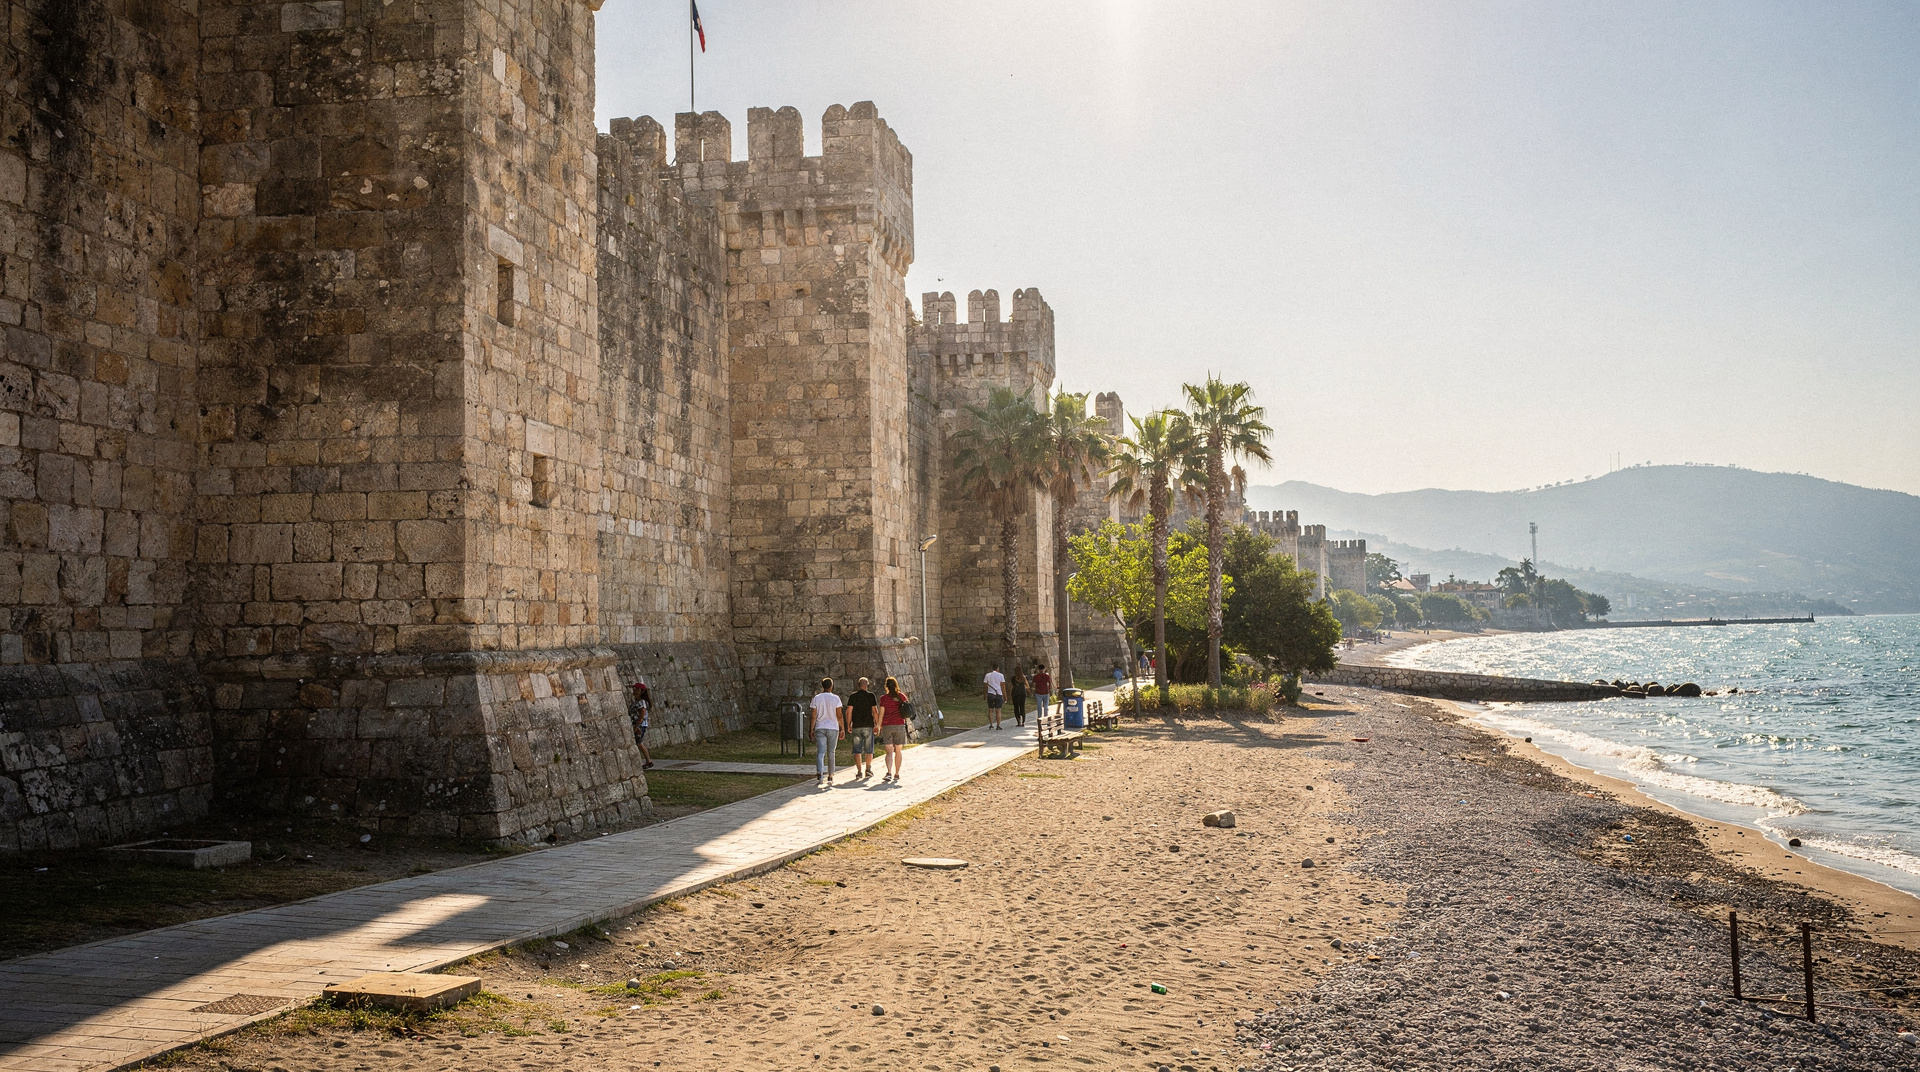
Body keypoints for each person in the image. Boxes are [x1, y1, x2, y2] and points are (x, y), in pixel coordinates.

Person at [809, 678, 844, 787]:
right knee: (831, 752)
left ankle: (820, 773)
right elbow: (839, 715)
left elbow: (814, 715)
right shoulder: (836, 698)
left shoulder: (816, 698)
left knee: (820, 752)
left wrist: (811, 729)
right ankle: (830, 774)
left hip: (820, 727)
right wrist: (842, 727)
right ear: (831, 686)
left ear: (822, 686)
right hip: (833, 727)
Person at [878, 676, 911, 784]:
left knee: (889, 752)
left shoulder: (883, 698)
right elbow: (907, 709)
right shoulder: (901, 696)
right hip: (900, 725)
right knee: (898, 750)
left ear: (886, 686)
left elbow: (881, 713)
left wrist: (878, 725)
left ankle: (888, 772)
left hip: (887, 726)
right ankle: (897, 773)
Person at [847, 677, 879, 779]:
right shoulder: (871, 696)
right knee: (869, 749)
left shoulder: (853, 696)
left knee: (857, 750)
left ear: (858, 685)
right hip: (868, 725)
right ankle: (868, 770)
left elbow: (849, 711)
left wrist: (849, 724)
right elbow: (875, 711)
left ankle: (859, 771)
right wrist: (877, 724)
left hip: (856, 726)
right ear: (867, 685)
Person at [628, 680, 655, 769]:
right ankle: (648, 761)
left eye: (637, 689)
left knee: (638, 743)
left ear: (642, 691)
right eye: (634, 689)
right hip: (637, 724)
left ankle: (648, 760)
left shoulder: (641, 702)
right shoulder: (637, 701)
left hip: (640, 725)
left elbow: (642, 713)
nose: (635, 691)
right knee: (638, 742)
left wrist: (637, 725)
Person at [983, 663, 1006, 730]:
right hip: (998, 694)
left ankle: (991, 724)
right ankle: (998, 725)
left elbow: (985, 686)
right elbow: (1003, 686)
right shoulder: (1001, 675)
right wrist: (1005, 696)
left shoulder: (987, 675)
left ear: (991, 668)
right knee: (998, 710)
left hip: (990, 694)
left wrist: (984, 695)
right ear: (997, 668)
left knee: (990, 709)